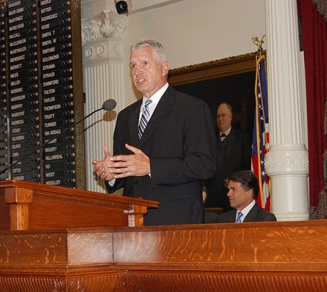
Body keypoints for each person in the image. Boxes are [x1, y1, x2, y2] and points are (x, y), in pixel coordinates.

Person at [92, 40, 217, 226]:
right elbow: (127, 172)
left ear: (164, 67)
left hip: (176, 220)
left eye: (144, 63)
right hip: (133, 220)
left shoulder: (191, 108)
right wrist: (112, 174)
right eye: (133, 65)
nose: (137, 71)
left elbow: (204, 164)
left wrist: (152, 167)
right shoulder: (126, 116)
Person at [205, 102, 251, 212]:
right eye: (218, 116)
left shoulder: (241, 138)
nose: (220, 118)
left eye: (223, 115)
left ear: (231, 117)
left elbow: (246, 165)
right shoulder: (209, 138)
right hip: (212, 194)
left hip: (234, 194)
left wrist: (234, 180)